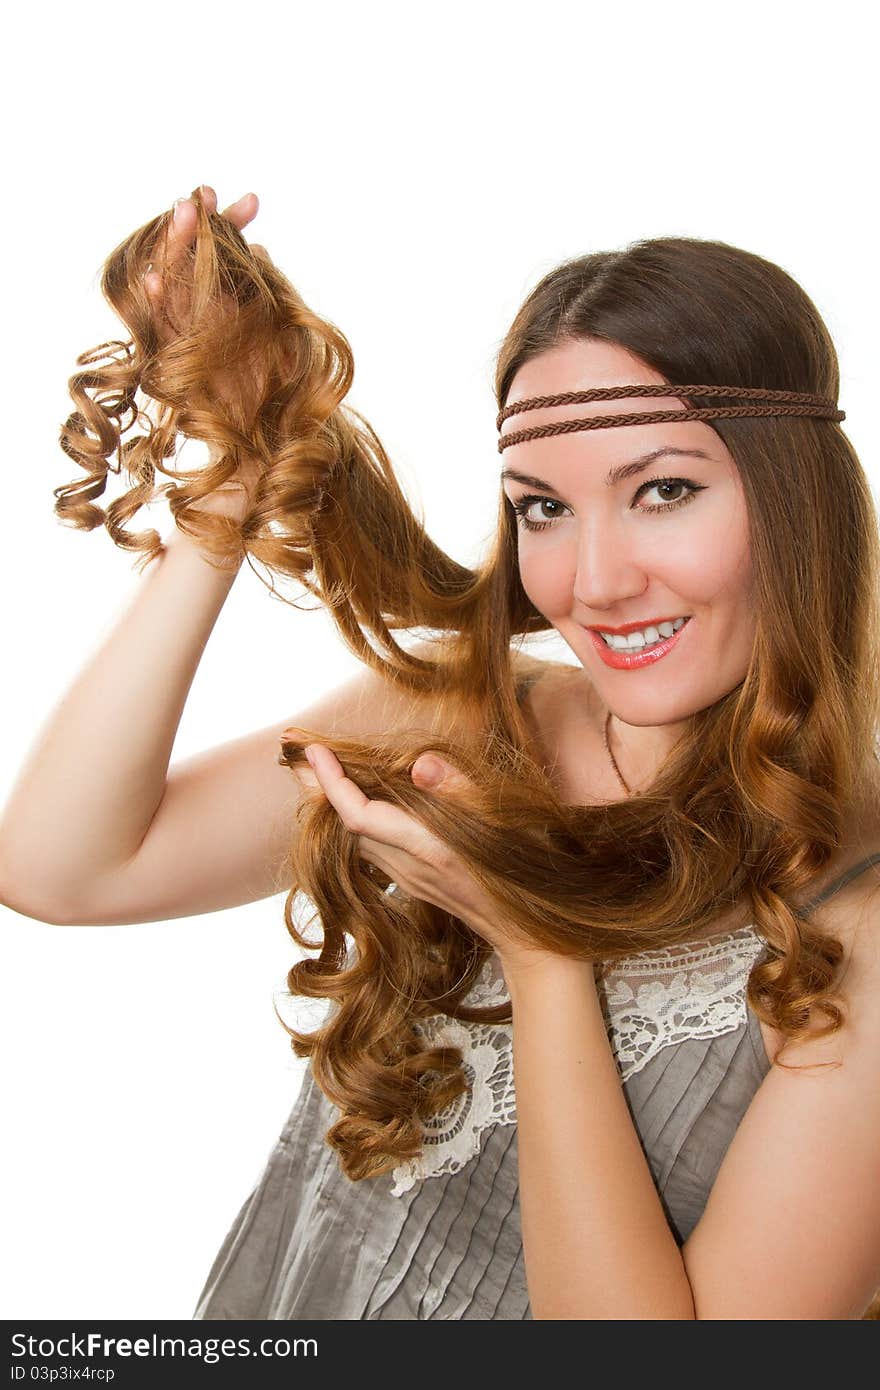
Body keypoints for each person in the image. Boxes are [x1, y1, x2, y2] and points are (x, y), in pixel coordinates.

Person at [2, 185, 879, 1320]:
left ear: (792, 496)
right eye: (542, 509)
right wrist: (230, 494)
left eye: (663, 491)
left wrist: (534, 945)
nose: (594, 581)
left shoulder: (857, 925)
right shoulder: (472, 718)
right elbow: (61, 867)